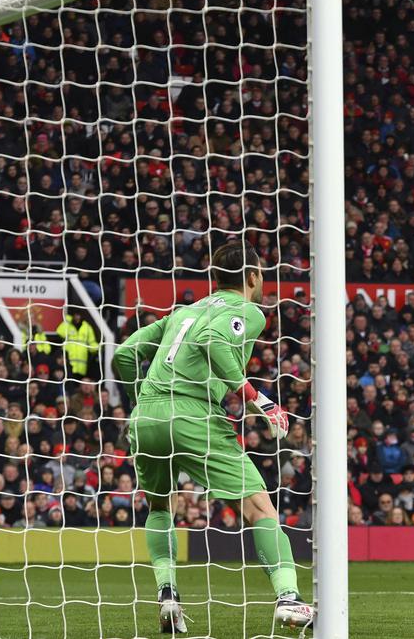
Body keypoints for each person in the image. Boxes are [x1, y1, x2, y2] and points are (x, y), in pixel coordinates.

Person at [113, 241, 313, 632]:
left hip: (146, 416)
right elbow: (214, 342)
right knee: (260, 509)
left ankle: (167, 595)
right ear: (253, 277)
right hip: (194, 416)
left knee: (159, 508)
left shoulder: (183, 312)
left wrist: (142, 404)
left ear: (215, 278)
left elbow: (123, 354)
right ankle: (289, 598)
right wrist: (259, 400)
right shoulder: (250, 312)